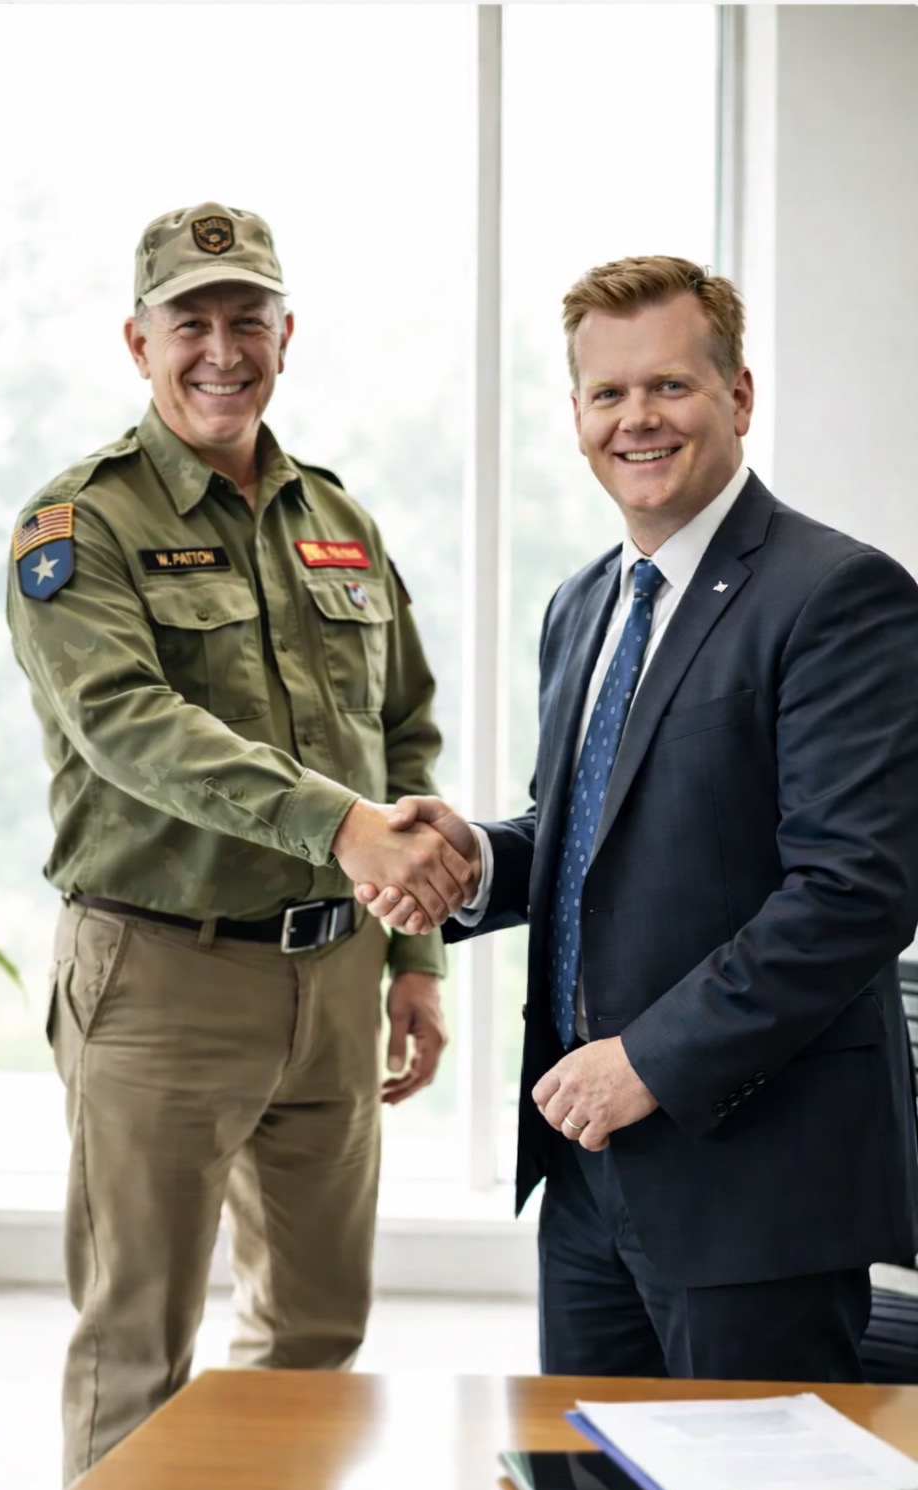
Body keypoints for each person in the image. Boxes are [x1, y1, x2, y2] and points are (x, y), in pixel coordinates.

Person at [356, 255, 918, 1381]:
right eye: (606, 394)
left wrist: (648, 1063)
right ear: (574, 415)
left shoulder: (836, 595)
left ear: (738, 396)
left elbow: (856, 891)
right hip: (584, 1167)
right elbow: (592, 839)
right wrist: (472, 862)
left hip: (752, 1179)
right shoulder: (583, 603)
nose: (636, 419)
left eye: (668, 386)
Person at [6, 201, 476, 1481]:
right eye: (190, 322)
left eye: (246, 320)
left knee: (317, 1329)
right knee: (134, 1342)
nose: (222, 349)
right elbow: (128, 728)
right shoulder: (78, 525)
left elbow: (405, 736)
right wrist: (340, 825)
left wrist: (419, 959)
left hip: (333, 978)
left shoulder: (337, 517)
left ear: (285, 335)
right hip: (161, 975)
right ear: (138, 342)